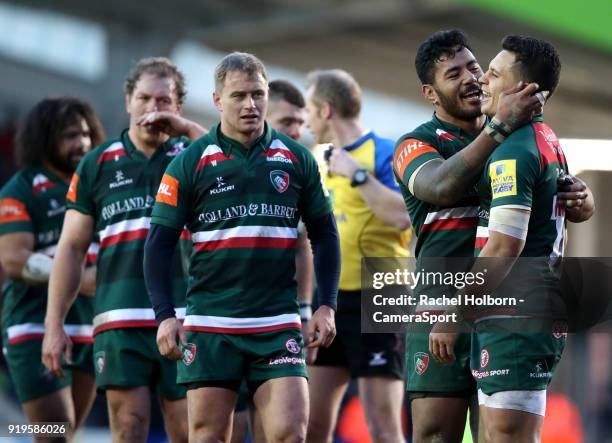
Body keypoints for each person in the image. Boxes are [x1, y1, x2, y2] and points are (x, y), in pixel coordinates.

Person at [393, 30, 593, 443]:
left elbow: (550, 209)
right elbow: (441, 186)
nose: (473, 78)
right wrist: (500, 126)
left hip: (502, 305)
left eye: (475, 66)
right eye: (454, 74)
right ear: (430, 93)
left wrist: (583, 201)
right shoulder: (417, 143)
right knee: (435, 434)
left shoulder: (522, 140)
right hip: (441, 307)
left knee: (498, 434)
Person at [143, 52, 340, 443]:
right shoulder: (190, 163)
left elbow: (325, 235)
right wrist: (165, 315)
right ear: (218, 100)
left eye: (258, 94)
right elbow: (158, 246)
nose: (250, 104)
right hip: (212, 323)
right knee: (209, 436)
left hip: (276, 321)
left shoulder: (296, 158)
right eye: (238, 96)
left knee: (289, 434)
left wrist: (325, 304)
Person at [42, 57, 206, 443]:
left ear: (178, 106)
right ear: (128, 101)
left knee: (188, 431)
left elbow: (235, 159)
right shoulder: (96, 164)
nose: (153, 108)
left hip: (187, 315)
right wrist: (54, 326)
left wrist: (186, 129)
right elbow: (71, 248)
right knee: (128, 428)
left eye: (164, 101)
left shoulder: (196, 156)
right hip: (119, 317)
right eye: (145, 98)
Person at [304, 69, 411, 443]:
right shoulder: (319, 161)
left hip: (381, 294)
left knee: (382, 427)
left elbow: (402, 214)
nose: (306, 120)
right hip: (330, 301)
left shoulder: (384, 151)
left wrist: (359, 176)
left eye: (310, 110)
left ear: (327, 110)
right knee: (310, 427)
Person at [0, 97, 104, 440]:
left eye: (86, 133)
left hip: (90, 329)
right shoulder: (21, 189)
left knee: (66, 432)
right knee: (53, 432)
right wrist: (78, 278)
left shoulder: (99, 187)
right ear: (45, 138)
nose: (82, 143)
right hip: (33, 327)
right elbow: (13, 259)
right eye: (70, 135)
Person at [231, 78, 313, 443]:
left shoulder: (296, 169)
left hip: (275, 322)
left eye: (299, 123)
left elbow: (304, 244)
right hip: (221, 320)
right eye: (286, 123)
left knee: (280, 431)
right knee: (225, 430)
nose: (295, 131)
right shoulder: (218, 163)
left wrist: (307, 309)